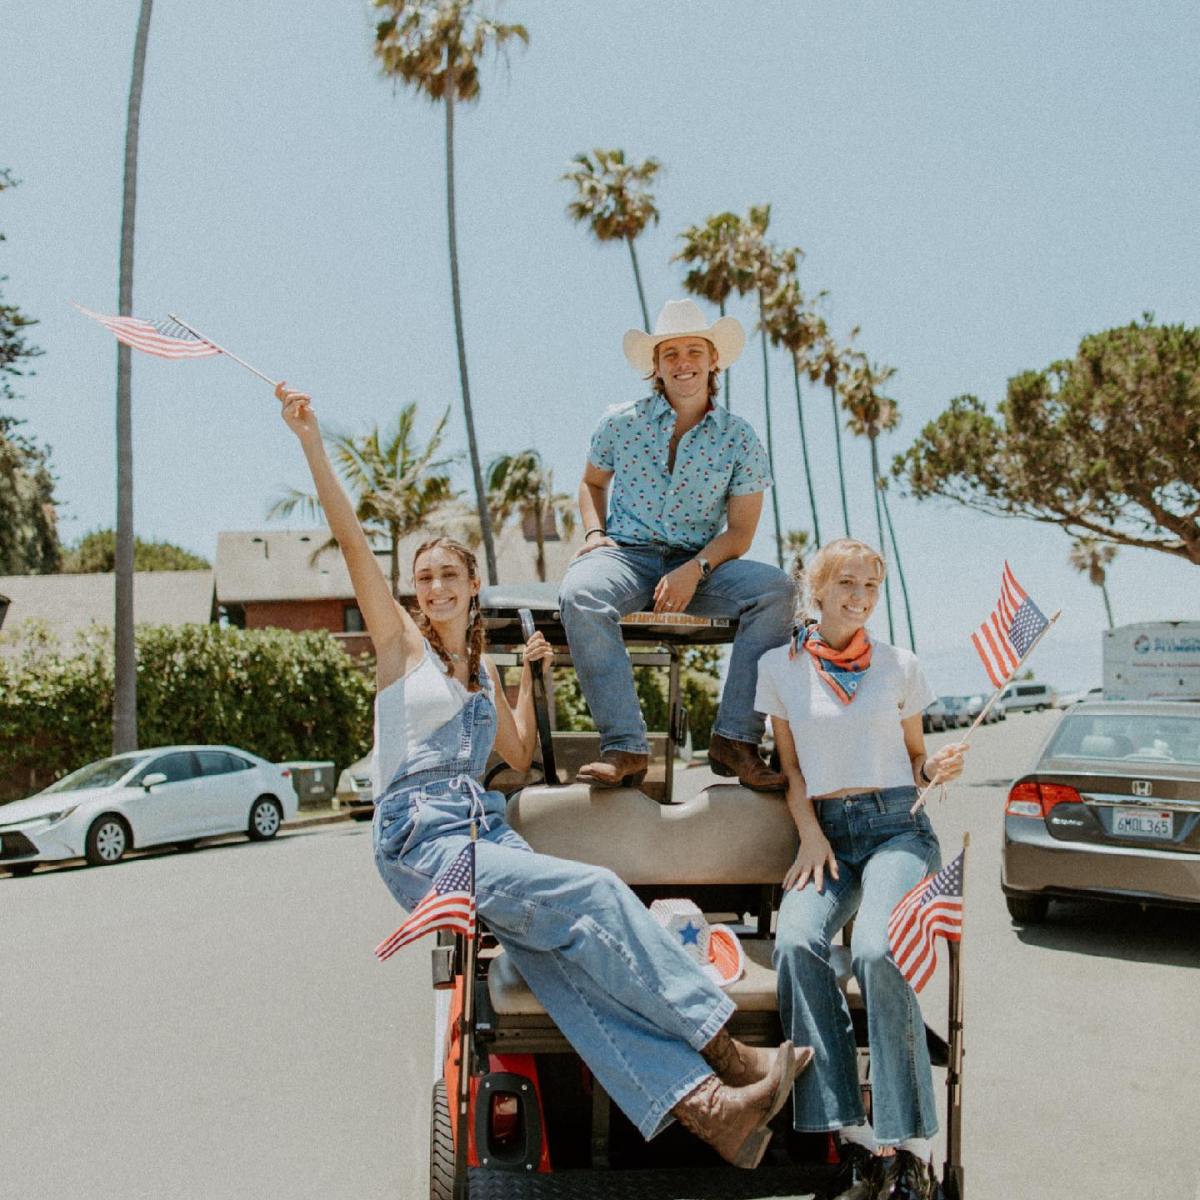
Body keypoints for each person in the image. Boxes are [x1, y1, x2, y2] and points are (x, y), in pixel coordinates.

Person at [275, 381, 811, 1169]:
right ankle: (731, 1056)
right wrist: (311, 440)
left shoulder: (478, 675)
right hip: (422, 840)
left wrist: (523, 683)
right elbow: (353, 542)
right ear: (415, 594)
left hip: (484, 831)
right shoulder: (401, 653)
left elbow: (519, 763)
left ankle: (713, 1115)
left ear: (470, 590)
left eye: (449, 578)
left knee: (558, 964)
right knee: (596, 890)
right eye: (425, 580)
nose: (436, 589)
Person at [754, 539, 968, 1200]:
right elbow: (791, 772)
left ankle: (910, 1148)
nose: (860, 597)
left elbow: (915, 760)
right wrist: (810, 835)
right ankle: (853, 1138)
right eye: (847, 584)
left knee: (880, 951)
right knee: (796, 943)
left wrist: (938, 768)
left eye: (871, 587)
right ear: (816, 590)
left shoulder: (900, 665)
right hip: (826, 837)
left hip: (899, 828)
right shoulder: (780, 667)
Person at [560, 299, 795, 791]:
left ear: (713, 361)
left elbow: (740, 533)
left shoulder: (740, 439)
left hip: (703, 565)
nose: (683, 362)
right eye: (671, 354)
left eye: (694, 351)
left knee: (777, 590)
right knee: (580, 591)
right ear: (657, 366)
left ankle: (735, 739)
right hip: (627, 556)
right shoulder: (620, 422)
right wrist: (595, 535)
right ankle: (624, 744)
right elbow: (590, 483)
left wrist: (696, 569)